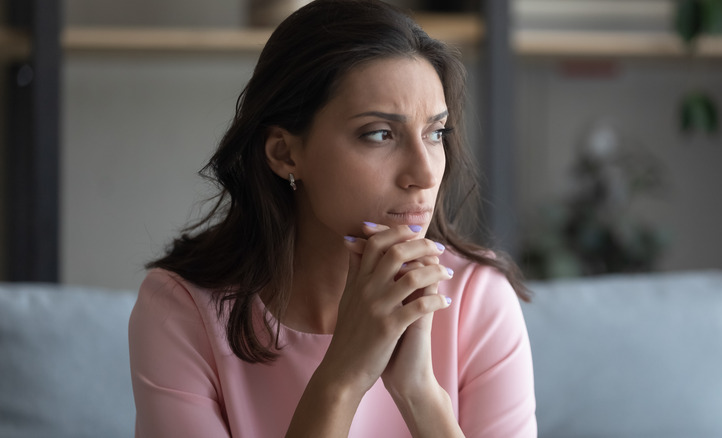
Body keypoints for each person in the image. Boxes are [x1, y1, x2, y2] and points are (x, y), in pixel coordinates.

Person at [128, 0, 536, 436]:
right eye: (380, 134)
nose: (424, 173)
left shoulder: (478, 300)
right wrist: (342, 378)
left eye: (435, 134)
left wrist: (419, 392)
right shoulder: (182, 310)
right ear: (285, 153)